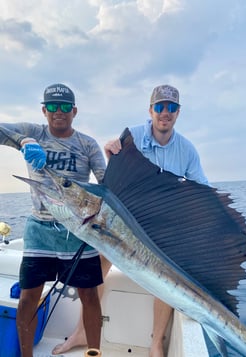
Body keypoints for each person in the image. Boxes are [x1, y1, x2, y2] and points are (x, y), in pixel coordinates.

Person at [53, 84, 209, 357]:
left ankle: (156, 343)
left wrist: (237, 236)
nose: (165, 113)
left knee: (165, 273)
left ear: (178, 112)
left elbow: (204, 192)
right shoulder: (132, 137)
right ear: (151, 110)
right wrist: (110, 150)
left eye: (171, 108)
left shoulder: (187, 149)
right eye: (160, 107)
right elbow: (114, 172)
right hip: (125, 220)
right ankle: (81, 332)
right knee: (97, 261)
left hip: (160, 227)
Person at [0, 83, 107, 357]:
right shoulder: (33, 132)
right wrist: (23, 141)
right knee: (27, 299)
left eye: (64, 107)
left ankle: (94, 353)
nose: (58, 112)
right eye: (51, 106)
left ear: (75, 111)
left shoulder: (87, 144)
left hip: (78, 230)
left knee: (90, 296)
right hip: (40, 229)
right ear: (44, 110)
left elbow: (106, 185)